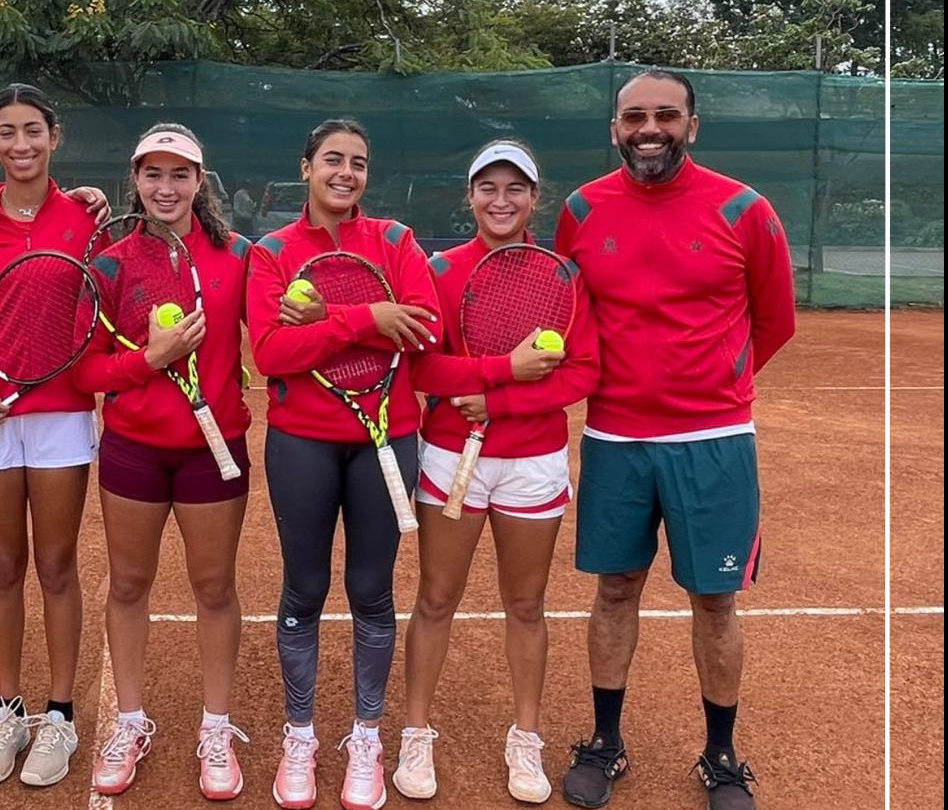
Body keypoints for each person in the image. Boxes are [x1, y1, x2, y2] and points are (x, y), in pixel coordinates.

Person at [554, 69, 796, 810]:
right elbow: (570, 314)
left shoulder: (744, 209)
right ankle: (605, 743)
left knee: (715, 600)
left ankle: (721, 756)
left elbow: (774, 320)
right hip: (615, 437)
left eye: (665, 115)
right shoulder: (581, 209)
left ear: (692, 125)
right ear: (615, 130)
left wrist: (710, 383)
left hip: (714, 440)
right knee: (615, 589)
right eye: (634, 117)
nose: (649, 129)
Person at [396, 139, 600, 804]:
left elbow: (583, 371)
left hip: (532, 462)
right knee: (435, 599)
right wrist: (500, 371)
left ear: (534, 198)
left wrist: (500, 402)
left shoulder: (562, 276)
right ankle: (416, 733)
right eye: (488, 187)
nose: (501, 200)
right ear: (471, 195)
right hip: (450, 454)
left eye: (515, 188)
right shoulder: (440, 270)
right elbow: (423, 367)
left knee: (526, 605)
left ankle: (526, 738)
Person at [246, 118, 442, 810]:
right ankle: (299, 736)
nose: (345, 172)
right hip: (301, 441)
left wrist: (326, 323)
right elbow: (270, 352)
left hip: (387, 438)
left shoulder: (396, 241)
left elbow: (425, 328)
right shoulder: (272, 252)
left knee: (371, 590)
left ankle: (366, 737)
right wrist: (366, 318)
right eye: (333, 159)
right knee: (303, 589)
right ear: (306, 167)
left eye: (358, 162)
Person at [72, 123, 255, 801]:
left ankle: (216, 727)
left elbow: (268, 341)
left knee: (214, 588)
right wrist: (150, 360)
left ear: (199, 182)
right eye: (153, 173)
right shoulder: (111, 263)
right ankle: (128, 722)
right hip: (133, 452)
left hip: (214, 451)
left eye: (179, 174)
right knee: (128, 586)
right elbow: (86, 371)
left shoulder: (238, 256)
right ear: (136, 180)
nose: (166, 187)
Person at [0, 83, 110, 789]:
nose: (21, 144)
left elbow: (100, 305)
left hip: (63, 415)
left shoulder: (86, 219)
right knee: (2, 567)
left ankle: (59, 715)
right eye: (7, 132)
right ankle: (7, 711)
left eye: (33, 130)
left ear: (54, 137)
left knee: (57, 567)